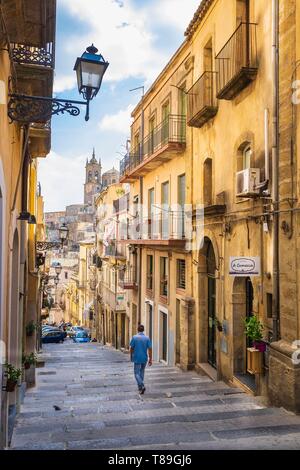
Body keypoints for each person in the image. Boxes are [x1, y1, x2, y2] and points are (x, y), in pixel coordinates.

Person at [130, 324, 152, 394]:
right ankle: (140, 387)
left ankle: (141, 385)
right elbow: (150, 349)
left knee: (136, 373)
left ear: (137, 329)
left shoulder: (134, 337)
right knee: (142, 371)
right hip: (144, 358)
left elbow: (131, 348)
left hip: (137, 357)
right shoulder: (147, 338)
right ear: (143, 330)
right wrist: (150, 359)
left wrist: (131, 356)